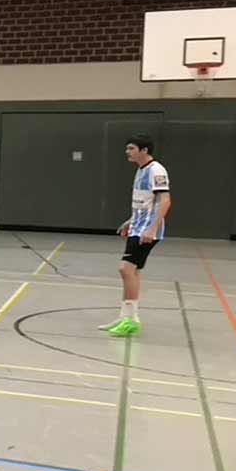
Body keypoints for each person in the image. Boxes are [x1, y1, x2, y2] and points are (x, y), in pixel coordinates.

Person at [101, 134, 171, 338]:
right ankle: (127, 317)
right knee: (133, 272)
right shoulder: (140, 170)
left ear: (144, 150)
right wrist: (130, 221)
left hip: (147, 229)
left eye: (131, 148)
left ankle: (130, 321)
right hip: (138, 226)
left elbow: (165, 201)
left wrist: (152, 229)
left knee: (126, 269)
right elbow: (144, 202)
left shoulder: (156, 170)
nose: (127, 152)